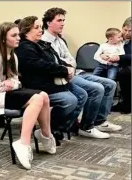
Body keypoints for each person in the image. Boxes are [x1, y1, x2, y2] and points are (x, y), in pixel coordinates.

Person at [0, 22, 56, 169]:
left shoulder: (13, 56)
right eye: (13, 35)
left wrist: (12, 83)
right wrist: (12, 83)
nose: (18, 38)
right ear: (3, 39)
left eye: (18, 35)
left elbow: (16, 81)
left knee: (44, 95)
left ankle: (45, 134)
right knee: (37, 98)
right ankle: (23, 143)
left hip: (7, 92)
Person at [41, 8, 120, 138]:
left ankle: (99, 121)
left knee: (110, 84)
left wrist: (69, 66)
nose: (62, 23)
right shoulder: (44, 41)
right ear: (49, 23)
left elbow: (71, 60)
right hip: (65, 76)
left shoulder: (60, 40)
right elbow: (56, 64)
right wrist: (68, 67)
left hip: (75, 72)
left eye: (63, 20)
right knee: (97, 88)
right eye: (59, 20)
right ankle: (86, 127)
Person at [15, 16, 80, 144]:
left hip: (52, 81)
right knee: (70, 100)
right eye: (37, 27)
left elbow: (54, 60)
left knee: (81, 95)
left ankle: (57, 128)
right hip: (39, 87)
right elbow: (41, 66)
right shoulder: (24, 48)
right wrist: (64, 71)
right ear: (27, 30)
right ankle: (49, 129)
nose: (41, 30)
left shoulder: (40, 43)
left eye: (40, 27)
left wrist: (67, 68)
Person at [113, 17, 132, 114]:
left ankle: (127, 103)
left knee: (125, 73)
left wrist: (120, 57)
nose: (127, 33)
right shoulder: (116, 37)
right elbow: (106, 47)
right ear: (122, 28)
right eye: (125, 30)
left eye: (130, 31)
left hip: (128, 66)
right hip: (114, 65)